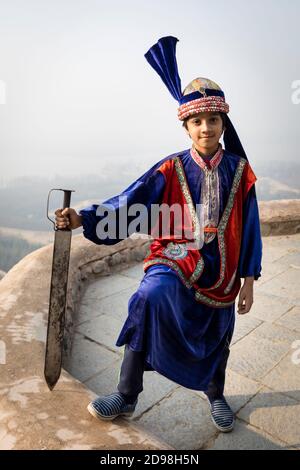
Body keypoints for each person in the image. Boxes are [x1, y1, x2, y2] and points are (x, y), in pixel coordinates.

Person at [55, 36, 262, 433]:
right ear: (186, 126)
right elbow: (131, 201)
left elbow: (250, 227)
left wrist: (248, 279)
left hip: (224, 269)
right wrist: (83, 218)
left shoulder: (240, 171)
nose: (206, 128)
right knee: (148, 298)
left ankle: (216, 393)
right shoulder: (171, 169)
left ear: (223, 123)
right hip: (175, 257)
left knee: (218, 335)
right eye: (197, 121)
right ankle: (127, 394)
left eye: (213, 120)